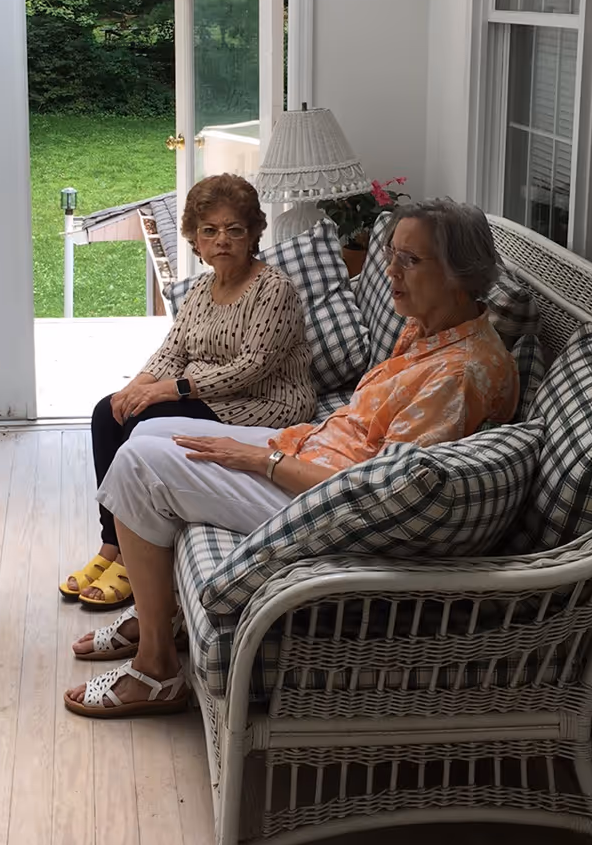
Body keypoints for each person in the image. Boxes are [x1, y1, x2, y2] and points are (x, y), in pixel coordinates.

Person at [65, 198, 519, 717]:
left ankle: (157, 670)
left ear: (460, 274)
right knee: (149, 435)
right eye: (390, 256)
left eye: (408, 261)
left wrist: (261, 461)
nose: (389, 270)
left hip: (324, 502)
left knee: (139, 465)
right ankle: (161, 617)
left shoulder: (458, 375)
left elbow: (375, 493)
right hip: (311, 452)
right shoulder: (429, 331)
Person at [61, 172, 314, 612]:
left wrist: (168, 392)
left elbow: (251, 369)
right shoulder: (202, 288)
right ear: (195, 238)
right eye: (210, 230)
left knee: (145, 420)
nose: (222, 240)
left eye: (235, 229)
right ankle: (113, 544)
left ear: (254, 233)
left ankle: (132, 551)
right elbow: (173, 349)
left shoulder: (274, 289)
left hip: (264, 404)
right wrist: (135, 387)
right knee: (110, 413)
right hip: (207, 394)